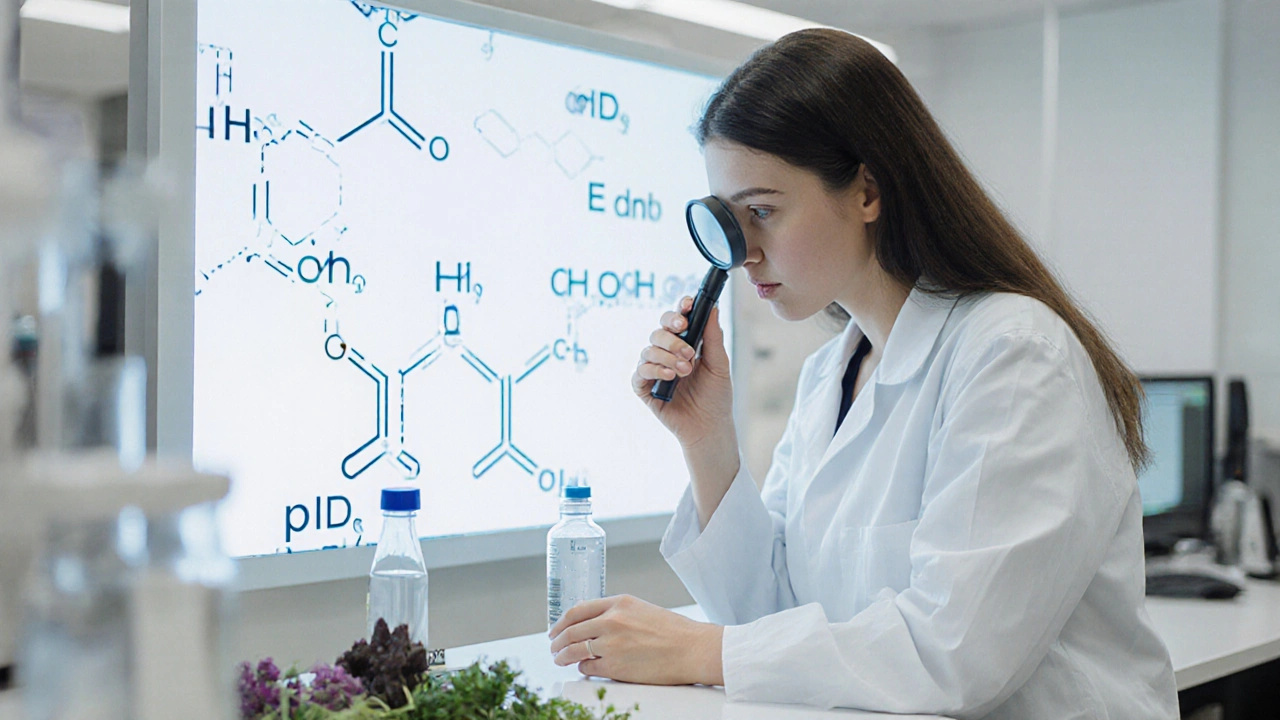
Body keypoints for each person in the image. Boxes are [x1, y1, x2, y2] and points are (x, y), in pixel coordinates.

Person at [548, 28, 1178, 719]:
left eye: (762, 212)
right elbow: (775, 614)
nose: (745, 254)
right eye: (731, 220)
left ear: (868, 191)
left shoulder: (1016, 353)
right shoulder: (832, 375)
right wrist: (706, 439)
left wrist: (698, 651)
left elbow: (956, 654)